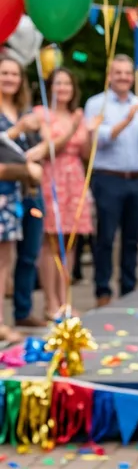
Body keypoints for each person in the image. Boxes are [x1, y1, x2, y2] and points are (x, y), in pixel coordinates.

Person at [84, 55, 138, 306]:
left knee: (132, 238)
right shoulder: (97, 104)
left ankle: (129, 289)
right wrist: (128, 119)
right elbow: (101, 137)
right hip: (108, 179)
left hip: (136, 180)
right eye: (118, 73)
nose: (124, 78)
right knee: (105, 238)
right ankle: (103, 291)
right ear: (110, 76)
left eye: (127, 73)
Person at [30, 68, 94, 319]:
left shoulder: (76, 115)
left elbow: (86, 153)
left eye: (67, 84)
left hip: (74, 179)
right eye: (58, 83)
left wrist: (87, 131)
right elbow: (49, 149)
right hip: (51, 177)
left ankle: (65, 300)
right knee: (50, 241)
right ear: (50, 87)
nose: (63, 88)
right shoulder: (41, 113)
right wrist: (74, 127)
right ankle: (50, 302)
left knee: (69, 242)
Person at [0, 56, 45, 329]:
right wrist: (18, 131)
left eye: (14, 74)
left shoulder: (24, 110)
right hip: (4, 191)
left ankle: (17, 313)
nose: (9, 78)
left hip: (22, 193)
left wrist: (39, 149)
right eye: (4, 73)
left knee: (20, 255)